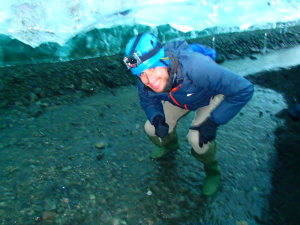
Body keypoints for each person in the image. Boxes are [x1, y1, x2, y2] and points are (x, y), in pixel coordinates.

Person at [123, 33, 254, 196]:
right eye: (141, 73)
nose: (149, 79)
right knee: (151, 128)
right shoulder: (145, 80)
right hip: (179, 98)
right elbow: (148, 101)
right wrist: (157, 118)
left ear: (163, 59)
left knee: (197, 139)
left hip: (209, 96)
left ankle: (212, 171)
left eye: (152, 68)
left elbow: (244, 89)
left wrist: (213, 122)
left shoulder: (196, 66)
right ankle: (171, 146)